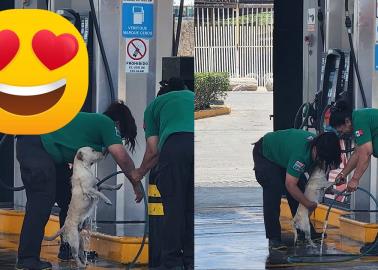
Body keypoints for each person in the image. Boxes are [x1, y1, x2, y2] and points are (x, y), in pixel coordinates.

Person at [15, 101, 142, 270]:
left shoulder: (92, 125)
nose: (119, 139)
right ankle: (27, 259)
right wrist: (136, 184)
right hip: (37, 144)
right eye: (122, 136)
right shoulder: (107, 124)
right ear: (119, 124)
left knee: (69, 200)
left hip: (49, 153)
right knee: (41, 202)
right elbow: (122, 157)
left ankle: (67, 247)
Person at [131, 77, 194, 270]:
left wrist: (139, 172)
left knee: (174, 209)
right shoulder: (193, 96)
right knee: (192, 210)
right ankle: (191, 261)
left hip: (175, 148)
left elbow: (153, 150)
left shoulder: (154, 105)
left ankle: (172, 263)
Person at [252, 129, 341, 250]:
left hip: (284, 156)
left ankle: (304, 230)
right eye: (321, 159)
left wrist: (325, 187)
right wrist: (308, 203)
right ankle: (274, 238)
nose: (322, 162)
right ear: (315, 150)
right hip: (267, 154)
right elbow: (290, 185)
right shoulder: (300, 156)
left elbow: (316, 176)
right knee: (273, 190)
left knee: (302, 190)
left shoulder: (321, 147)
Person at [329, 101, 378, 192]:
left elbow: (366, 152)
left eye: (341, 131)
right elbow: (357, 153)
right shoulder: (358, 119)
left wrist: (355, 180)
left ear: (347, 121)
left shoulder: (359, 120)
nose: (341, 134)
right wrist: (343, 174)